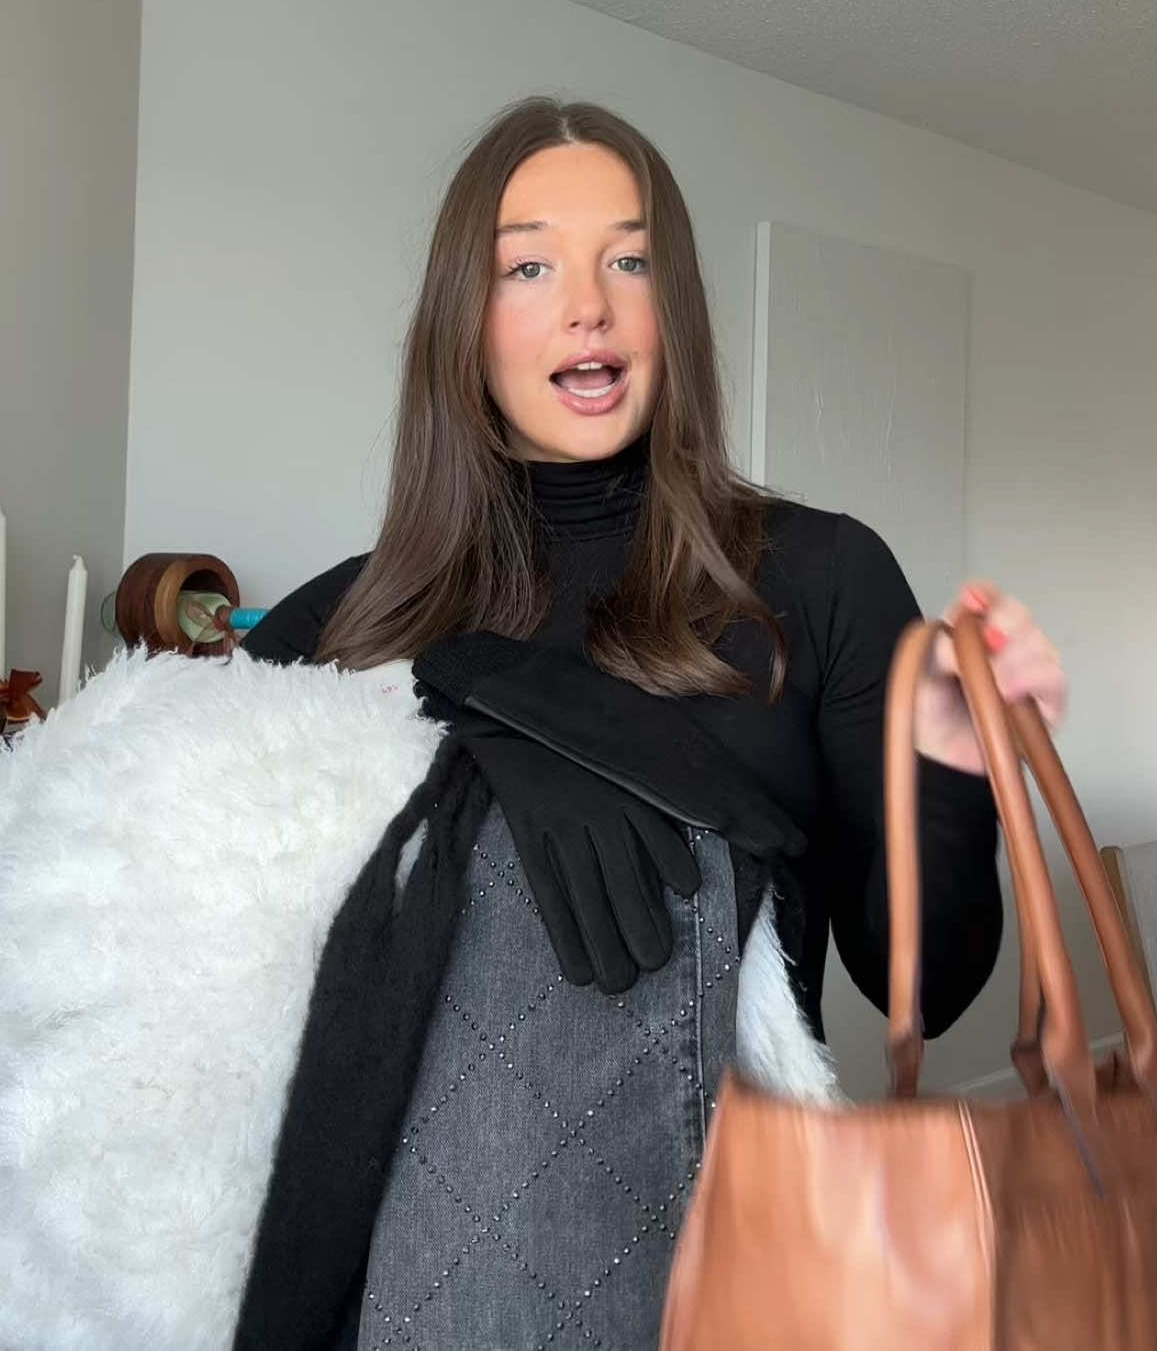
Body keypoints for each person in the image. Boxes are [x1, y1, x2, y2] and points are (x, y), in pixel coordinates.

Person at [233, 94, 1068, 1351]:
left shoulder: (820, 577)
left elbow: (927, 994)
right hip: (390, 1282)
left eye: (629, 262)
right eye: (528, 267)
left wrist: (952, 767)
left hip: (733, 1274)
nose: (590, 306)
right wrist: (465, 717)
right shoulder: (347, 621)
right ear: (463, 320)